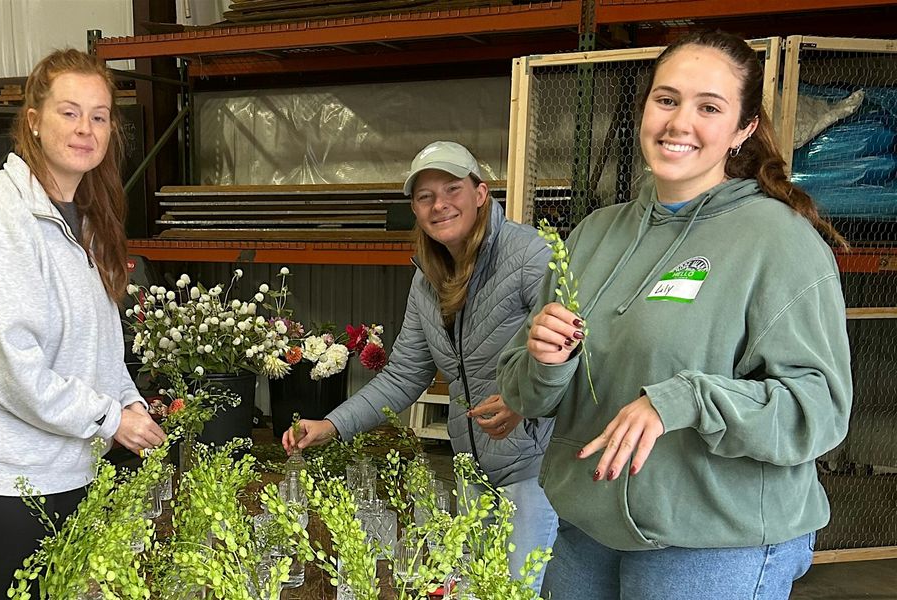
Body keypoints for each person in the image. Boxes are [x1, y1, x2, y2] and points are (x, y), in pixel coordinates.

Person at [497, 31, 853, 600]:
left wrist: (686, 400)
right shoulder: (593, 235)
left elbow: (820, 409)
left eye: (708, 107)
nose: (679, 122)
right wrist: (545, 360)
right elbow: (527, 396)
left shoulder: (780, 242)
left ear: (743, 129)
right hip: (586, 529)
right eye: (667, 100)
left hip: (714, 540)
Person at [0, 49, 165, 600]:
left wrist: (129, 402)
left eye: (99, 116)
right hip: (12, 481)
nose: (85, 128)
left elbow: (100, 347)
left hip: (72, 468)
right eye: (69, 112)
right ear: (34, 121)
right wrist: (110, 419)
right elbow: (12, 369)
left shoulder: (83, 219)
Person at [283, 141, 558, 591]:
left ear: (480, 193)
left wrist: (522, 400)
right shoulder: (427, 278)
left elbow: (573, 348)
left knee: (512, 591)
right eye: (425, 196)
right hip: (472, 467)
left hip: (534, 466)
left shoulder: (530, 255)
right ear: (414, 208)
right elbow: (404, 374)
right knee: (472, 590)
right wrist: (330, 425)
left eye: (452, 189)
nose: (439, 204)